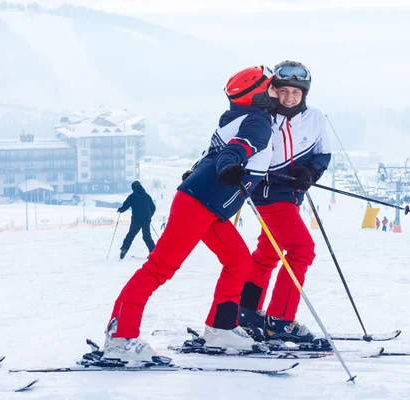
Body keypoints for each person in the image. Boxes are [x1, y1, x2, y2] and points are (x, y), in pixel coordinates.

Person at [102, 65, 278, 362]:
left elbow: (230, 156)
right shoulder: (258, 121)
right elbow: (237, 150)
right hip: (200, 203)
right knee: (159, 268)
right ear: (258, 94)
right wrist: (229, 164)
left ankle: (221, 328)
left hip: (207, 205)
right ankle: (121, 339)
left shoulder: (237, 117)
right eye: (271, 89)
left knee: (238, 260)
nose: (275, 94)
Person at [237, 61, 332, 344]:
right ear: (273, 90)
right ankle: (280, 320)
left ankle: (248, 312)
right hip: (267, 194)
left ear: (304, 94)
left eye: (296, 92)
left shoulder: (315, 118)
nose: (289, 97)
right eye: (283, 91)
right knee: (302, 250)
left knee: (268, 253)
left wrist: (310, 172)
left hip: (292, 195)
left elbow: (322, 154)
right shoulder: (261, 118)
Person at [117, 181, 156, 260]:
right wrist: (149, 216)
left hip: (136, 220)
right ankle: (154, 253)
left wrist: (121, 210)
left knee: (131, 235)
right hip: (146, 220)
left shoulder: (132, 196)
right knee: (146, 236)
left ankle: (123, 251)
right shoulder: (147, 196)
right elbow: (153, 208)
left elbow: (126, 205)